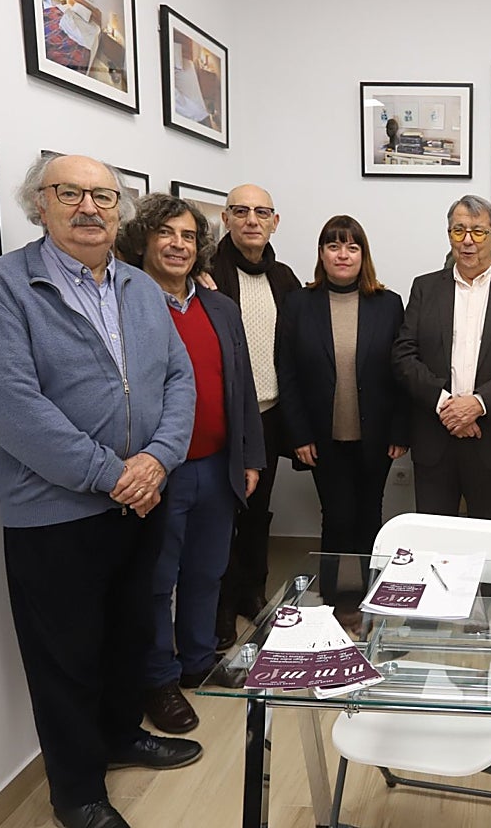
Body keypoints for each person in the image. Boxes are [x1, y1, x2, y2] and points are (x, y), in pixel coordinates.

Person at [0, 154, 200, 828]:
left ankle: (123, 734)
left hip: (142, 501)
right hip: (54, 512)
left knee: (131, 632)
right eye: (70, 193)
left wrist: (156, 461)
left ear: (120, 208)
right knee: (64, 658)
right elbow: (13, 406)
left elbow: (178, 381)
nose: (89, 208)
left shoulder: (140, 287)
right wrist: (113, 475)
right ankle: (75, 791)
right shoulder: (6, 286)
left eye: (103, 195)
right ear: (40, 204)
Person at [116, 193, 265, 735]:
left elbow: (240, 384)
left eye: (187, 236)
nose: (178, 245)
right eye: (166, 234)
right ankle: (159, 676)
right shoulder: (127, 302)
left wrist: (249, 455)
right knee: (158, 580)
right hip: (160, 470)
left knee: (208, 570)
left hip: (217, 465)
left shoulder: (218, 305)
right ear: (144, 241)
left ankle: (199, 659)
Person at [277, 215, 408, 615]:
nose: (342, 254)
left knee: (371, 516)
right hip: (321, 435)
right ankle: (330, 604)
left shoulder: (388, 304)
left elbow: (402, 372)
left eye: (352, 247)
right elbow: (288, 371)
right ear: (321, 253)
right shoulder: (299, 303)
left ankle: (372, 602)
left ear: (363, 255)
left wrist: (401, 430)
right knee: (336, 517)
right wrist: (298, 435)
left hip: (377, 433)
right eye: (334, 246)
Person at [392, 194, 491, 520]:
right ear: (449, 235)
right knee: (433, 540)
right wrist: (446, 405)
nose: (468, 241)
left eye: (478, 232)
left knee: (487, 541)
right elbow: (404, 355)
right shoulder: (425, 287)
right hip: (435, 436)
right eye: (458, 230)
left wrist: (477, 404)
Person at [207, 184, 300, 649]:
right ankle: (221, 607)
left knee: (258, 511)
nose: (251, 220)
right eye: (240, 211)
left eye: (261, 212)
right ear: (225, 219)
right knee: (224, 515)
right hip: (224, 417)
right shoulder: (205, 274)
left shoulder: (284, 278)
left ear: (275, 222)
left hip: (269, 414)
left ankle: (253, 592)